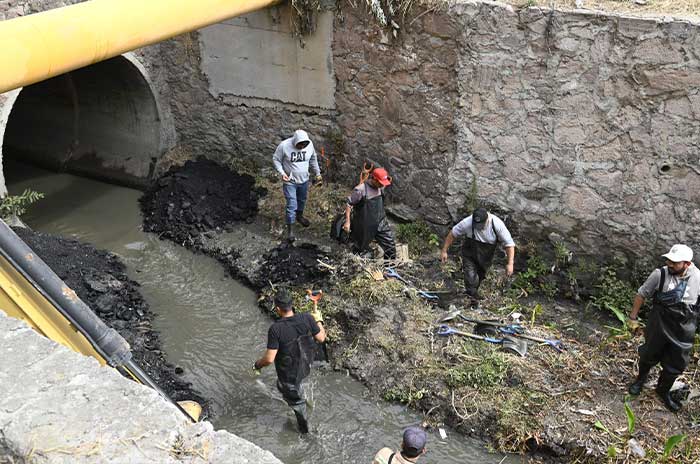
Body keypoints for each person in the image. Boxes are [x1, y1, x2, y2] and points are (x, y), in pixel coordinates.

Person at [627, 244, 700, 411]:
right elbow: (641, 294)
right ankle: (640, 380)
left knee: (677, 362)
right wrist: (633, 317)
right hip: (659, 323)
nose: (670, 264)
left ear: (687, 264)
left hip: (684, 328)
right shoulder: (660, 274)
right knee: (649, 353)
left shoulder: (698, 278)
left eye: (675, 262)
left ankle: (663, 390)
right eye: (669, 260)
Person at [254, 289, 326, 433]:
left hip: (288, 374)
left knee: (288, 393)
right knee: (296, 387)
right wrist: (318, 319)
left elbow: (269, 359)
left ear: (278, 309)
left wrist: (257, 365)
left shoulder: (276, 329)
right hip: (305, 365)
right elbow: (321, 338)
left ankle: (305, 431)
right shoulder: (307, 318)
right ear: (292, 305)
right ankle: (302, 399)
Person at [440, 207, 515, 305]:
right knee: (470, 276)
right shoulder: (467, 222)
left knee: (480, 276)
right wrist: (444, 250)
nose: (478, 227)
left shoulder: (497, 224)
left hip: (486, 255)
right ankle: (471, 298)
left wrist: (510, 263)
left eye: (481, 225)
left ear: (487, 219)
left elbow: (509, 244)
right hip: (470, 252)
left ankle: (473, 295)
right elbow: (453, 234)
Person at [273, 130, 322, 242]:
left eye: (304, 145)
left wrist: (318, 173)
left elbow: (313, 159)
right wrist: (282, 173)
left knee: (302, 200)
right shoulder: (284, 146)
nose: (302, 147)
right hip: (290, 181)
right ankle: (290, 231)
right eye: (300, 145)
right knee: (291, 205)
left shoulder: (309, 146)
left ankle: (299, 216)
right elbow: (276, 159)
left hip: (304, 180)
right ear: (295, 141)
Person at [343, 167, 396, 259]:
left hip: (380, 222)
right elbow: (349, 204)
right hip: (365, 225)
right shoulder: (360, 190)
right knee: (361, 250)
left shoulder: (381, 186)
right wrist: (347, 222)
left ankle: (389, 270)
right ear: (374, 179)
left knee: (390, 247)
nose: (382, 185)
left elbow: (388, 180)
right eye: (380, 183)